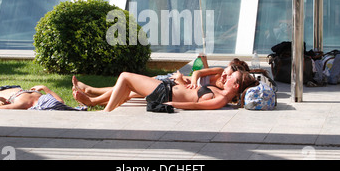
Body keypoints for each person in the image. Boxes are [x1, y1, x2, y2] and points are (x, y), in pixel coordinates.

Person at [73, 68, 258, 112]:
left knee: (125, 77)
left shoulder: (222, 99)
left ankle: (105, 112)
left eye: (232, 77)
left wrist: (171, 104)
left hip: (165, 93)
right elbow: (193, 94)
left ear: (235, 85)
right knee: (127, 88)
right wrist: (183, 81)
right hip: (168, 88)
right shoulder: (220, 91)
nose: (228, 77)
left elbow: (196, 106)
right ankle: (92, 99)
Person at [0, 79, 83, 111]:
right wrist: (44, 88)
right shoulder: (50, 101)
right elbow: (61, 101)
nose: (49, 99)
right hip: (11, 89)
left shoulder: (23, 104)